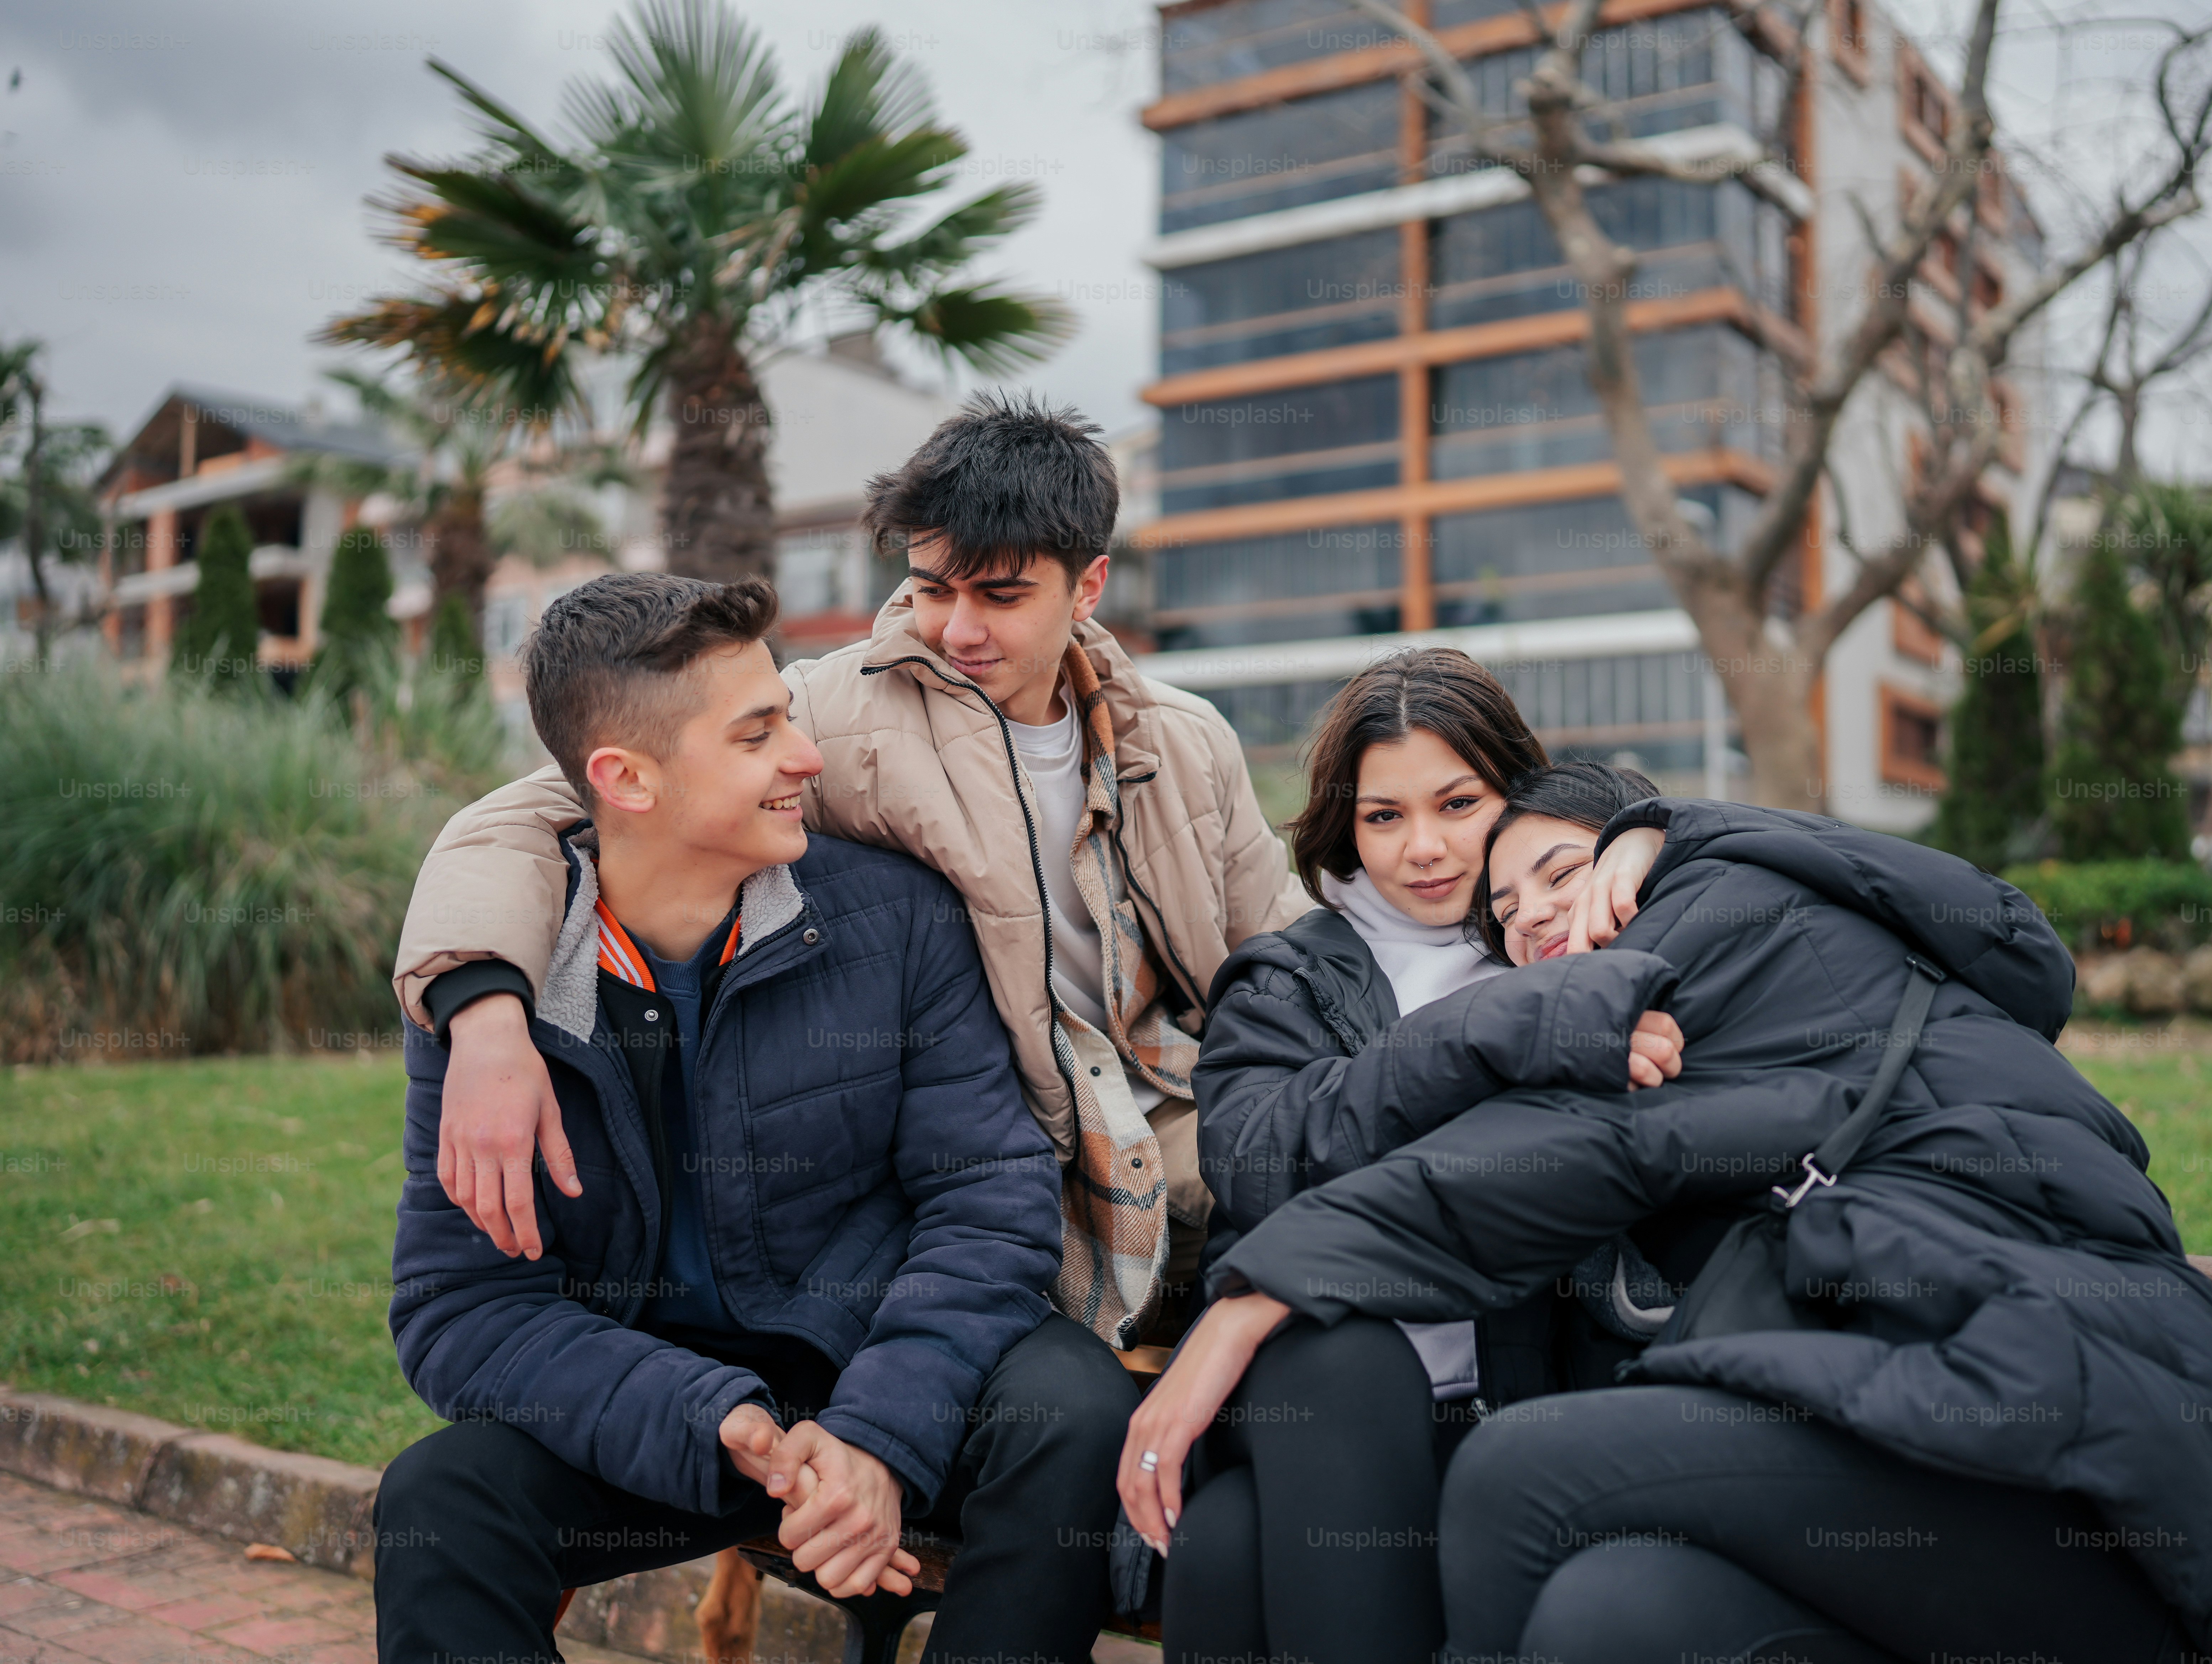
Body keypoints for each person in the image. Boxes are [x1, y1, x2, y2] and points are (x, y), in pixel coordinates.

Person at [1133, 796, 2212, 1664]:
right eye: (1506, 909)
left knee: (1517, 1481)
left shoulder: (1733, 932)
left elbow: (1557, 1160)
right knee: (1611, 1612)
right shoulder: (1694, 965)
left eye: (1560, 870)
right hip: (1957, 1476)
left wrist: (1247, 1302)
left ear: (1643, 858)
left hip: (2089, 1486)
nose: (1531, 915)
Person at [391, 393, 1304, 1349]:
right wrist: (488, 1016)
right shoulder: (829, 713)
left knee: (1346, 1229)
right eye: (930, 587)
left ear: (1089, 587)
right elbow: (530, 814)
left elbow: (1276, 958)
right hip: (1010, 1143)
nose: (957, 630)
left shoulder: (1186, 738)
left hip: (1182, 1113)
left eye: (1001, 596)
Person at [375, 573, 1138, 1664]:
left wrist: (875, 1439)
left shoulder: (899, 920)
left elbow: (988, 1204)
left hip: (880, 1355)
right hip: (669, 1411)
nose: (805, 757)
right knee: (439, 1502)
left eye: (790, 714)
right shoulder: (490, 1002)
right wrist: (717, 1421)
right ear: (625, 780)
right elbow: (463, 1309)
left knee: (1065, 1409)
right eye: (757, 735)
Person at [1159, 746, 1678, 1664]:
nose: (1426, 848)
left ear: (1514, 794)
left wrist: (1641, 840)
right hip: (1319, 1392)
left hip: (1528, 1387)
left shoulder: (1566, 932)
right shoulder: (1286, 975)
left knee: (1227, 1551)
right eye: (1384, 816)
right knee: (1341, 1361)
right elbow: (1261, 1170)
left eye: (1458, 803)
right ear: (1345, 828)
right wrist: (1486, 1035)